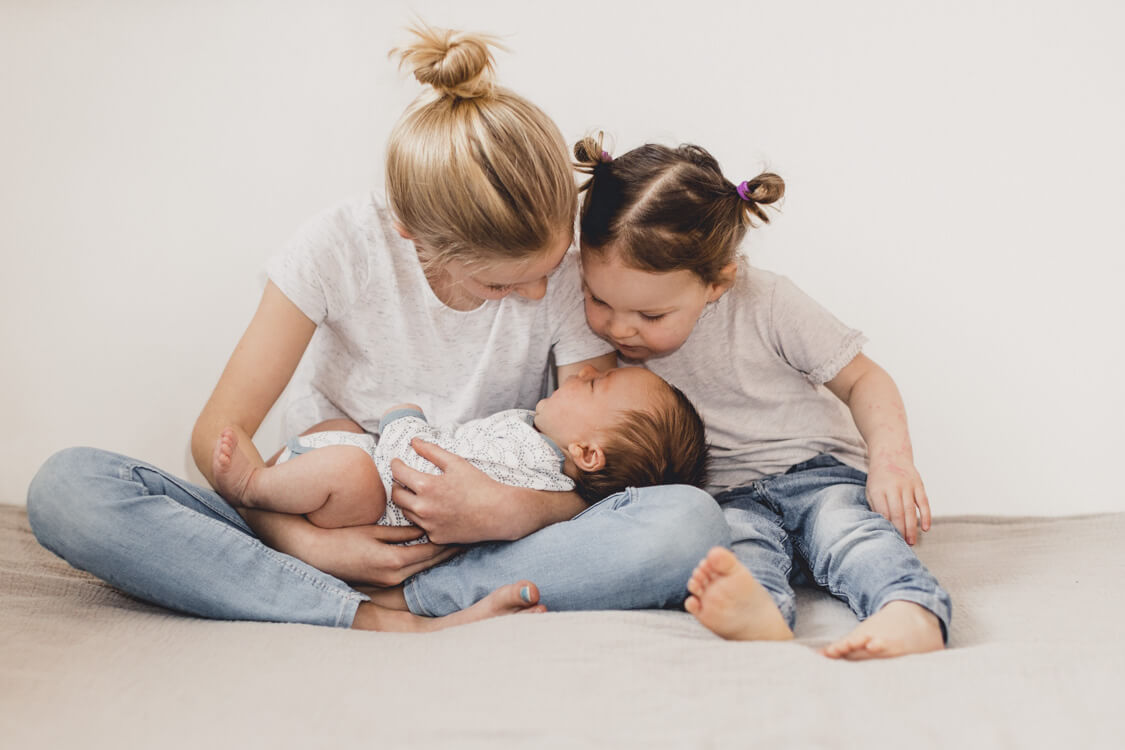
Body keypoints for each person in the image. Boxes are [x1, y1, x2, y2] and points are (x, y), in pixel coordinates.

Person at [25, 27, 730, 632]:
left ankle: (411, 595)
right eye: (501, 283)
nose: (541, 292)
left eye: (547, 268)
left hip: (474, 545)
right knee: (70, 489)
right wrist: (305, 544)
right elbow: (219, 440)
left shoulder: (561, 272)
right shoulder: (335, 249)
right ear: (413, 235)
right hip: (315, 515)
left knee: (686, 522)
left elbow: (590, 466)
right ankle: (358, 610)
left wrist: (514, 511)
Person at [572, 137, 952, 659]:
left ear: (717, 282)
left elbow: (865, 381)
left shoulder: (768, 302)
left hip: (816, 474)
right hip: (721, 495)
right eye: (598, 299)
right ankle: (764, 614)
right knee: (732, 553)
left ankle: (909, 609)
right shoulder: (600, 323)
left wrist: (892, 462)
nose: (618, 328)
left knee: (850, 533)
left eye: (651, 316)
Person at [212, 365, 709, 525]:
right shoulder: (534, 439)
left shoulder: (532, 466)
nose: (581, 375)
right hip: (378, 469)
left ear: (587, 454)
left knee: (346, 468)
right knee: (335, 428)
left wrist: (403, 421)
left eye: (595, 386)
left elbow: (427, 469)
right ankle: (275, 488)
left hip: (382, 504)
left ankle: (254, 488)